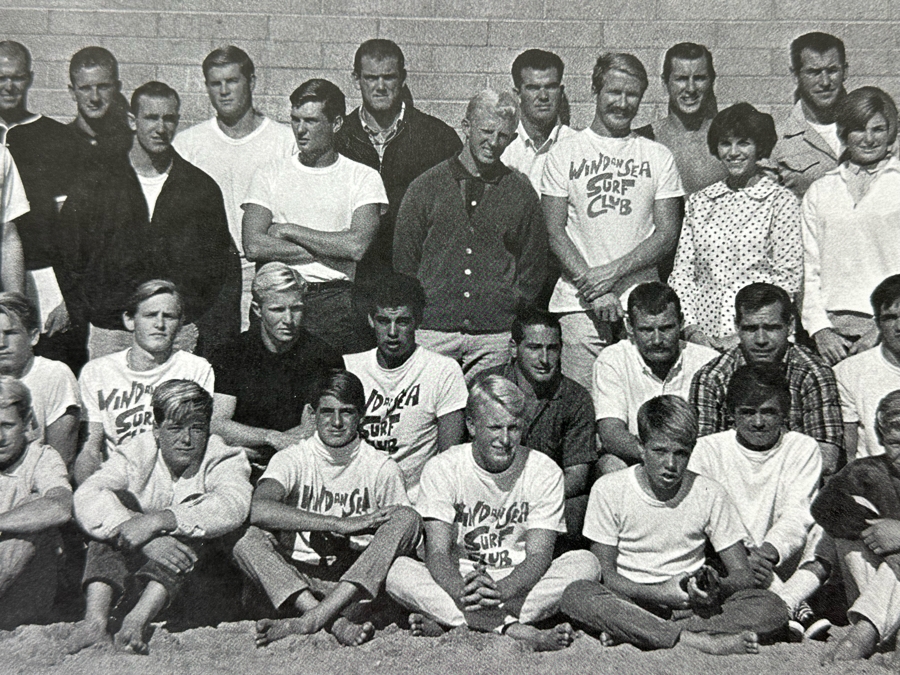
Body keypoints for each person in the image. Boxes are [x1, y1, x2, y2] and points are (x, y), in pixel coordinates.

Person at [385, 375, 600, 651]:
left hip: (520, 581)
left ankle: (457, 622)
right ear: (472, 425)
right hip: (461, 577)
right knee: (397, 571)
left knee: (586, 564)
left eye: (514, 428)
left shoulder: (543, 471)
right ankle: (515, 629)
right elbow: (437, 552)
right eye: (495, 427)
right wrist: (461, 590)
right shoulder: (443, 468)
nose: (505, 439)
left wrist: (501, 591)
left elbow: (539, 555)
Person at [560, 395, 789, 654]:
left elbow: (743, 575)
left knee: (772, 607)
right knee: (577, 593)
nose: (670, 464)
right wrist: (659, 593)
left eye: (681, 453)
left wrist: (717, 586)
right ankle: (700, 641)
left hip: (692, 605)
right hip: (633, 599)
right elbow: (607, 575)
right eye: (660, 451)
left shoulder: (709, 492)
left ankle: (641, 633)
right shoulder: (610, 488)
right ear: (640, 447)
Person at [232, 369, 421, 647]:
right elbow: (259, 509)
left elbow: (401, 537)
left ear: (361, 415)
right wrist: (337, 523)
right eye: (326, 412)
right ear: (312, 413)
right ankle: (327, 620)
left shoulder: (381, 467)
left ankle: (315, 619)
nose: (336, 422)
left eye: (346, 412)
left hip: (351, 587)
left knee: (408, 517)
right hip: (296, 584)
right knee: (246, 540)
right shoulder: (293, 458)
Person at [57, 80, 238, 360]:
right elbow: (68, 252)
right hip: (111, 331)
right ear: (132, 121)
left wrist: (190, 317)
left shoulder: (200, 189)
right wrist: (88, 308)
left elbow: (217, 267)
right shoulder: (97, 183)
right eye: (151, 117)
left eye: (168, 118)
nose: (160, 128)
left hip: (176, 332)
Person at [68, 380, 251, 654]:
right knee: (114, 504)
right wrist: (144, 539)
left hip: (199, 584)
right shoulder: (137, 451)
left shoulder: (224, 456)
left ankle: (137, 620)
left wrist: (158, 521)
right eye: (175, 428)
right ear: (156, 429)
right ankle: (95, 621)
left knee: (195, 513)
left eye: (197, 428)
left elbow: (232, 505)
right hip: (136, 574)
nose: (186, 439)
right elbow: (88, 493)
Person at [541, 52, 683, 390]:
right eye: (613, 92)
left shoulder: (657, 155)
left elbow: (667, 233)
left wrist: (611, 275)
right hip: (578, 303)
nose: (622, 103)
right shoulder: (565, 153)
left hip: (645, 308)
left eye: (631, 94)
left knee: (643, 405)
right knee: (583, 407)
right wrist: (594, 290)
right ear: (595, 90)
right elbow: (555, 232)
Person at [394, 90, 547, 382]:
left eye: (503, 136)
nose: (493, 142)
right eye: (486, 131)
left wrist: (509, 304)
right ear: (466, 128)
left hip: (494, 336)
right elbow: (405, 261)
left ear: (513, 139)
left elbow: (533, 263)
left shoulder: (520, 191)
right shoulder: (425, 187)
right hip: (433, 331)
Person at [242, 78, 387, 355]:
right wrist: (331, 251)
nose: (300, 130)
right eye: (295, 120)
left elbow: (356, 247)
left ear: (336, 124)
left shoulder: (363, 177)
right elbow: (254, 246)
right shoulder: (268, 174)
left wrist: (288, 229)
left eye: (311, 121)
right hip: (276, 296)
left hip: (334, 303)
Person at [174, 46, 295, 333]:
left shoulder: (284, 141)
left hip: (269, 270)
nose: (224, 91)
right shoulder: (187, 144)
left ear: (251, 82)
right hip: (211, 278)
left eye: (232, 81)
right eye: (216, 83)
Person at [669, 103, 802, 348]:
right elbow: (683, 274)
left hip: (760, 339)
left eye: (743, 142)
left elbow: (788, 278)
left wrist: (743, 336)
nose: (733, 152)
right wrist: (692, 330)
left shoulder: (780, 201)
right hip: (704, 338)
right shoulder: (700, 202)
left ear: (759, 146)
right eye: (725, 143)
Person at [336, 39, 462, 283]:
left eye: (389, 77)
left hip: (418, 277)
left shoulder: (438, 137)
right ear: (355, 79)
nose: (380, 86)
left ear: (402, 78)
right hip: (352, 279)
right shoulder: (339, 138)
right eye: (371, 78)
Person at [689, 366, 821, 593]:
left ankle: (789, 601)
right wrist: (742, 557)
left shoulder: (802, 447)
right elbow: (706, 518)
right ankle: (793, 609)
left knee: (823, 529)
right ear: (731, 413)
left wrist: (767, 554)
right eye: (748, 412)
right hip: (730, 560)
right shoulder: (707, 449)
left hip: (781, 560)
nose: (758, 422)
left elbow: (797, 515)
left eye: (768, 412)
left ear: (785, 412)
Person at [690, 282, 843, 475]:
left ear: (790, 326)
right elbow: (702, 457)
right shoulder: (712, 378)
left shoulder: (814, 373)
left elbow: (827, 458)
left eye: (771, 328)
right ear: (736, 326)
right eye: (751, 329)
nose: (761, 339)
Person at [210, 263, 342, 481]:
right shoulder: (231, 353)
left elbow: (311, 430)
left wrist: (254, 443)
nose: (288, 320)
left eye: (296, 308)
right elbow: (218, 423)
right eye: (278, 310)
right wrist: (271, 437)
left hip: (299, 464)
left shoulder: (323, 357)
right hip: (239, 462)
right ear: (257, 310)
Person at [74, 280, 214, 485]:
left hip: (174, 480)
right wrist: (91, 493)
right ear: (130, 320)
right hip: (119, 478)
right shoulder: (97, 371)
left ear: (180, 323)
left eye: (169, 316)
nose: (160, 324)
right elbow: (91, 448)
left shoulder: (195, 369)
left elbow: (195, 445)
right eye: (150, 315)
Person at [344, 273, 467, 502]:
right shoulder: (350, 367)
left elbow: (449, 459)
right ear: (371, 320)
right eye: (383, 321)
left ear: (418, 320)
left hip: (415, 501)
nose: (392, 332)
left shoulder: (442, 370)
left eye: (402, 321)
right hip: (356, 497)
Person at [801, 86, 900, 366]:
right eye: (859, 129)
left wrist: (881, 329)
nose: (869, 139)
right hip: (831, 336)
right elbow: (809, 268)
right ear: (844, 132)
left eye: (878, 129)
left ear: (890, 131)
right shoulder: (821, 191)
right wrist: (820, 329)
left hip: (889, 329)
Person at [481, 307, 596, 544]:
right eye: (534, 348)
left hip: (545, 499)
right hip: (488, 494)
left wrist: (528, 501)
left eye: (552, 348)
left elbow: (576, 475)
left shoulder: (576, 398)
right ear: (514, 348)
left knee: (581, 508)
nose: (544, 359)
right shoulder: (485, 387)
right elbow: (465, 457)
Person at [0, 41, 81, 369]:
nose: (8, 86)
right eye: (0, 77)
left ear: (30, 79)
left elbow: (69, 226)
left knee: (41, 369)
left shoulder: (55, 137)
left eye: (17, 77)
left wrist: (66, 292)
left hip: (38, 276)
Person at [810, 390, 900, 665]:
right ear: (882, 439)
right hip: (875, 584)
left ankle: (865, 632)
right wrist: (879, 533)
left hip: (879, 601)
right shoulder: (869, 470)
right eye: (895, 443)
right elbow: (823, 507)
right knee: (843, 531)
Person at [594, 282, 717, 468]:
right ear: (629, 327)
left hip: (694, 461)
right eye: (646, 330)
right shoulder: (613, 359)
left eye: (666, 328)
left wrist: (676, 458)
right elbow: (611, 433)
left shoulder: (707, 361)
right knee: (610, 465)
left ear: (681, 322)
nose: (657, 340)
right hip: (637, 459)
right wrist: (658, 457)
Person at [0, 376, 73, 630]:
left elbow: (60, 507)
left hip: (24, 593)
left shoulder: (41, 457)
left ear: (26, 422)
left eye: (7, 425)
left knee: (33, 511)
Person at [635, 42, 727, 196]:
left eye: (699, 78)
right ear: (665, 82)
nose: (691, 88)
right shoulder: (642, 140)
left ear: (712, 81)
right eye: (681, 79)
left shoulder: (729, 140)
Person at [0, 292, 80, 465]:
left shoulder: (54, 374)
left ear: (33, 336)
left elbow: (61, 461)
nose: (1, 343)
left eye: (11, 333)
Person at [772, 32, 848, 199]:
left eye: (832, 70)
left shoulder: (872, 130)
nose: (825, 82)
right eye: (814, 72)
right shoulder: (777, 142)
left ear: (845, 71)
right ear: (795, 75)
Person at [836, 275, 900, 461]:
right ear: (878, 323)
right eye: (889, 318)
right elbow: (849, 455)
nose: (899, 326)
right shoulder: (849, 372)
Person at [502, 49, 575, 194]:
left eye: (551, 87)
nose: (543, 96)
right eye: (533, 88)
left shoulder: (577, 145)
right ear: (517, 94)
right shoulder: (502, 147)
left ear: (561, 92)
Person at [67, 46, 131, 160]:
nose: (95, 98)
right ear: (73, 92)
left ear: (116, 88)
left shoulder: (131, 144)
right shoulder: (58, 143)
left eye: (103, 87)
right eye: (85, 88)